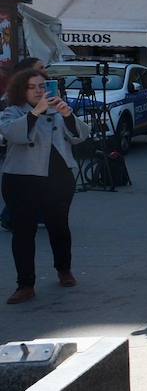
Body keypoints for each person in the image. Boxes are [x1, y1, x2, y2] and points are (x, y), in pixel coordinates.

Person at [0, 67, 90, 304]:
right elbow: (13, 134)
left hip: (58, 177)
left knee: (59, 227)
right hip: (21, 178)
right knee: (23, 233)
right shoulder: (12, 111)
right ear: (22, 90)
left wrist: (68, 115)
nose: (38, 91)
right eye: (32, 87)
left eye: (42, 86)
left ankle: (64, 270)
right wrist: (36, 113)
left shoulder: (57, 110)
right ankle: (25, 284)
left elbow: (81, 136)